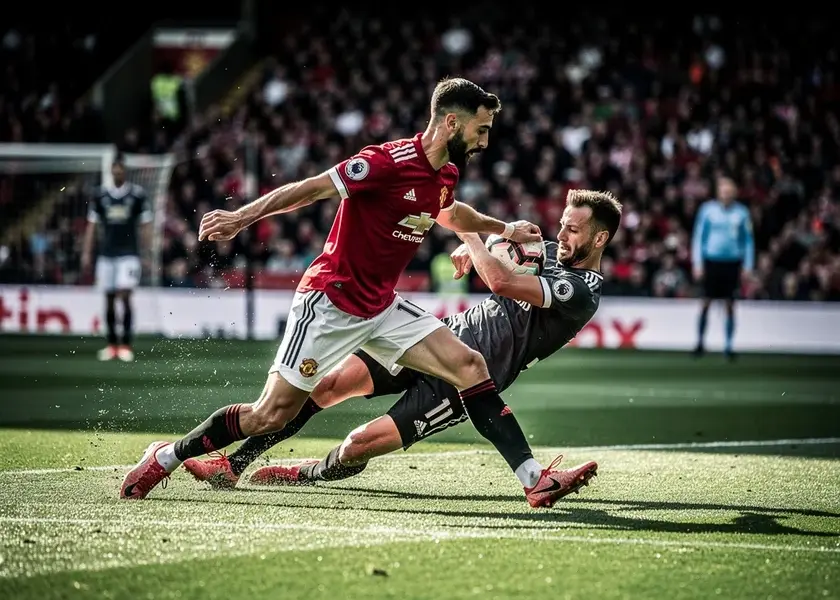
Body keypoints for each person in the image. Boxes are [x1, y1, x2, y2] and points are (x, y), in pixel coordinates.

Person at [120, 77, 544, 499]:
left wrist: (505, 229)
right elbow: (311, 190)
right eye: (481, 130)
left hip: (381, 308)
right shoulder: (386, 162)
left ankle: (534, 481)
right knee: (269, 414)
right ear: (451, 123)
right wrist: (240, 218)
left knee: (469, 365)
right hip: (329, 302)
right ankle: (166, 456)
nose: (484, 141)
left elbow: (449, 213)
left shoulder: (446, 174)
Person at [184, 190, 622, 508]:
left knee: (358, 445)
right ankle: (234, 463)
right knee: (327, 385)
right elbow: (507, 255)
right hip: (439, 338)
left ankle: (308, 472)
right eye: (562, 224)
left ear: (599, 239)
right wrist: (475, 249)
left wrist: (470, 238)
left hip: (467, 378)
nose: (561, 234)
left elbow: (502, 281)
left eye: (573, 229)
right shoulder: (550, 252)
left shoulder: (582, 290)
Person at [81, 157, 152, 362]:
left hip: (129, 254)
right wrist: (86, 252)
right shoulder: (100, 195)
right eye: (115, 170)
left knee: (125, 296)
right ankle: (112, 345)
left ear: (125, 172)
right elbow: (92, 226)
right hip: (107, 254)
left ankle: (126, 344)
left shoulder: (136, 195)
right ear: (111, 171)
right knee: (109, 299)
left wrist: (147, 253)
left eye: (120, 170)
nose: (118, 173)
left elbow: (145, 225)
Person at [691, 175, 755, 360]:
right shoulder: (707, 210)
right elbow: (698, 237)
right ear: (718, 192)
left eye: (729, 191)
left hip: (732, 263)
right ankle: (700, 343)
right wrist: (698, 263)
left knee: (730, 304)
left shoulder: (742, 213)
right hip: (711, 261)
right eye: (723, 191)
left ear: (734, 193)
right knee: (705, 302)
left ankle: (728, 346)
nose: (726, 194)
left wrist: (748, 265)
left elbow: (748, 241)